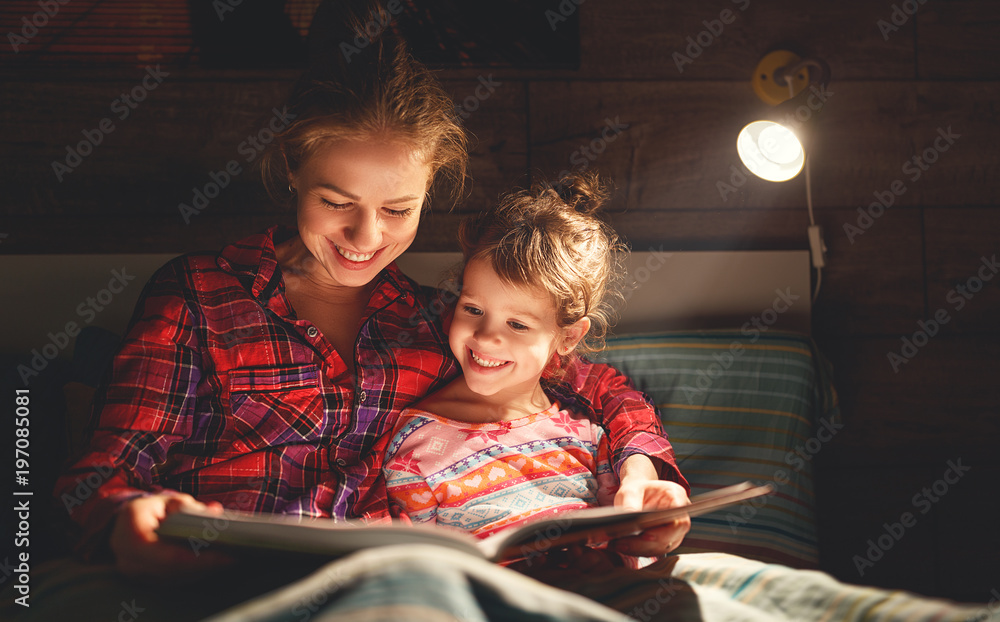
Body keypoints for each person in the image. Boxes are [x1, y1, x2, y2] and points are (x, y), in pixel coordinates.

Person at [12, 3, 687, 617]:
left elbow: (595, 384)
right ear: (293, 171)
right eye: (337, 203)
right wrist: (129, 522)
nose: (366, 239)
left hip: (387, 588)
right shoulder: (200, 295)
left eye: (398, 211)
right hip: (228, 582)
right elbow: (102, 474)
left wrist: (641, 473)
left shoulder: (441, 320)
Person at [382, 173, 689, 577]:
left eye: (518, 325)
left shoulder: (588, 434)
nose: (487, 337)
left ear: (568, 336)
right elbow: (416, 575)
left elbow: (630, 549)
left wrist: (628, 543)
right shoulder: (415, 446)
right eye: (473, 309)